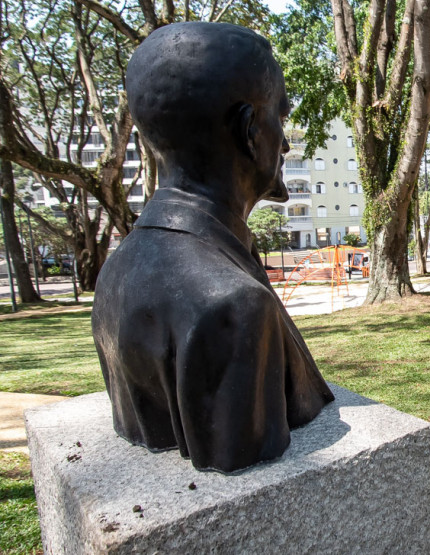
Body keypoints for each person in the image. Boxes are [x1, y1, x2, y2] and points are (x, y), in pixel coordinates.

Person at [92, 22, 335, 473]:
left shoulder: (115, 271)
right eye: (278, 119)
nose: (284, 143)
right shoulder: (232, 304)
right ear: (249, 131)